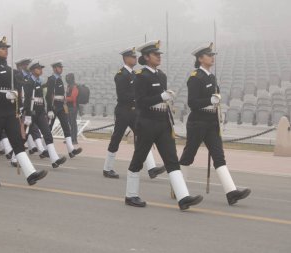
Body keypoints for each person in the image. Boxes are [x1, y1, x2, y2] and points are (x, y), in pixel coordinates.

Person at [124, 40, 203, 210]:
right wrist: (161, 97)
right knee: (139, 158)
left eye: (159, 54)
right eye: (155, 54)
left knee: (171, 160)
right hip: (147, 122)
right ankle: (131, 195)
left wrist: (164, 99)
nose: (159, 57)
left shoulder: (162, 76)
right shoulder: (140, 76)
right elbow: (141, 102)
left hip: (163, 122)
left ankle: (183, 197)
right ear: (146, 57)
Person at [179, 43, 251, 205]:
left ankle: (231, 193)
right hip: (198, 121)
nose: (212, 58)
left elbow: (214, 100)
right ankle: (179, 189)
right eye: (209, 55)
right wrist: (209, 100)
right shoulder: (195, 77)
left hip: (211, 121)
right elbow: (192, 103)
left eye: (212, 55)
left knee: (219, 156)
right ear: (200, 58)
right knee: (189, 155)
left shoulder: (211, 76)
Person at [0, 37, 47, 187]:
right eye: (2, 49)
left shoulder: (12, 71)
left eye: (6, 49)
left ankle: (30, 174)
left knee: (17, 141)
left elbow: (18, 90)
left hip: (10, 111)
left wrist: (18, 109)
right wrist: (5, 95)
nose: (6, 51)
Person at [103, 47, 165, 179]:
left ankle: (152, 168)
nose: (135, 58)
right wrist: (139, 96)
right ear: (126, 58)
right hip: (124, 111)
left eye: (136, 57)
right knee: (117, 138)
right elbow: (122, 95)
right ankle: (107, 168)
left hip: (135, 110)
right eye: (133, 57)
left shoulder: (135, 74)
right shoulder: (121, 75)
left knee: (144, 137)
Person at [24, 59, 67, 168]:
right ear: (33, 70)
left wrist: (48, 110)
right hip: (31, 112)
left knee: (47, 134)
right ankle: (15, 157)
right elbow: (27, 100)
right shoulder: (29, 82)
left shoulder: (39, 82)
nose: (40, 70)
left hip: (40, 111)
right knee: (23, 136)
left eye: (41, 69)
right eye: (38, 69)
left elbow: (45, 98)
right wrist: (28, 114)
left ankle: (54, 159)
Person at [46, 60, 82, 158]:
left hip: (61, 106)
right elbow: (49, 95)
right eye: (59, 67)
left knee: (66, 126)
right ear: (54, 68)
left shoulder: (60, 79)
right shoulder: (52, 79)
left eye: (61, 67)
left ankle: (71, 150)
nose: (61, 69)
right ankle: (46, 149)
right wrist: (49, 109)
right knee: (48, 128)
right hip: (54, 106)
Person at [15, 57, 48, 158]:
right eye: (25, 64)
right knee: (24, 132)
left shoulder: (35, 79)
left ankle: (40, 149)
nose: (26, 65)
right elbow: (21, 94)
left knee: (33, 130)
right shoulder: (18, 76)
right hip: (24, 107)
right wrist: (21, 108)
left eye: (27, 64)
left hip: (34, 109)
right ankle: (15, 155)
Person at [65, 73, 79, 145]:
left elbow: (73, 98)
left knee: (73, 123)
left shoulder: (74, 86)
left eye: (68, 78)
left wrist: (65, 98)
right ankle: (70, 138)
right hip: (68, 107)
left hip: (73, 107)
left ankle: (74, 139)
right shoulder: (68, 86)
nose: (66, 79)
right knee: (69, 123)